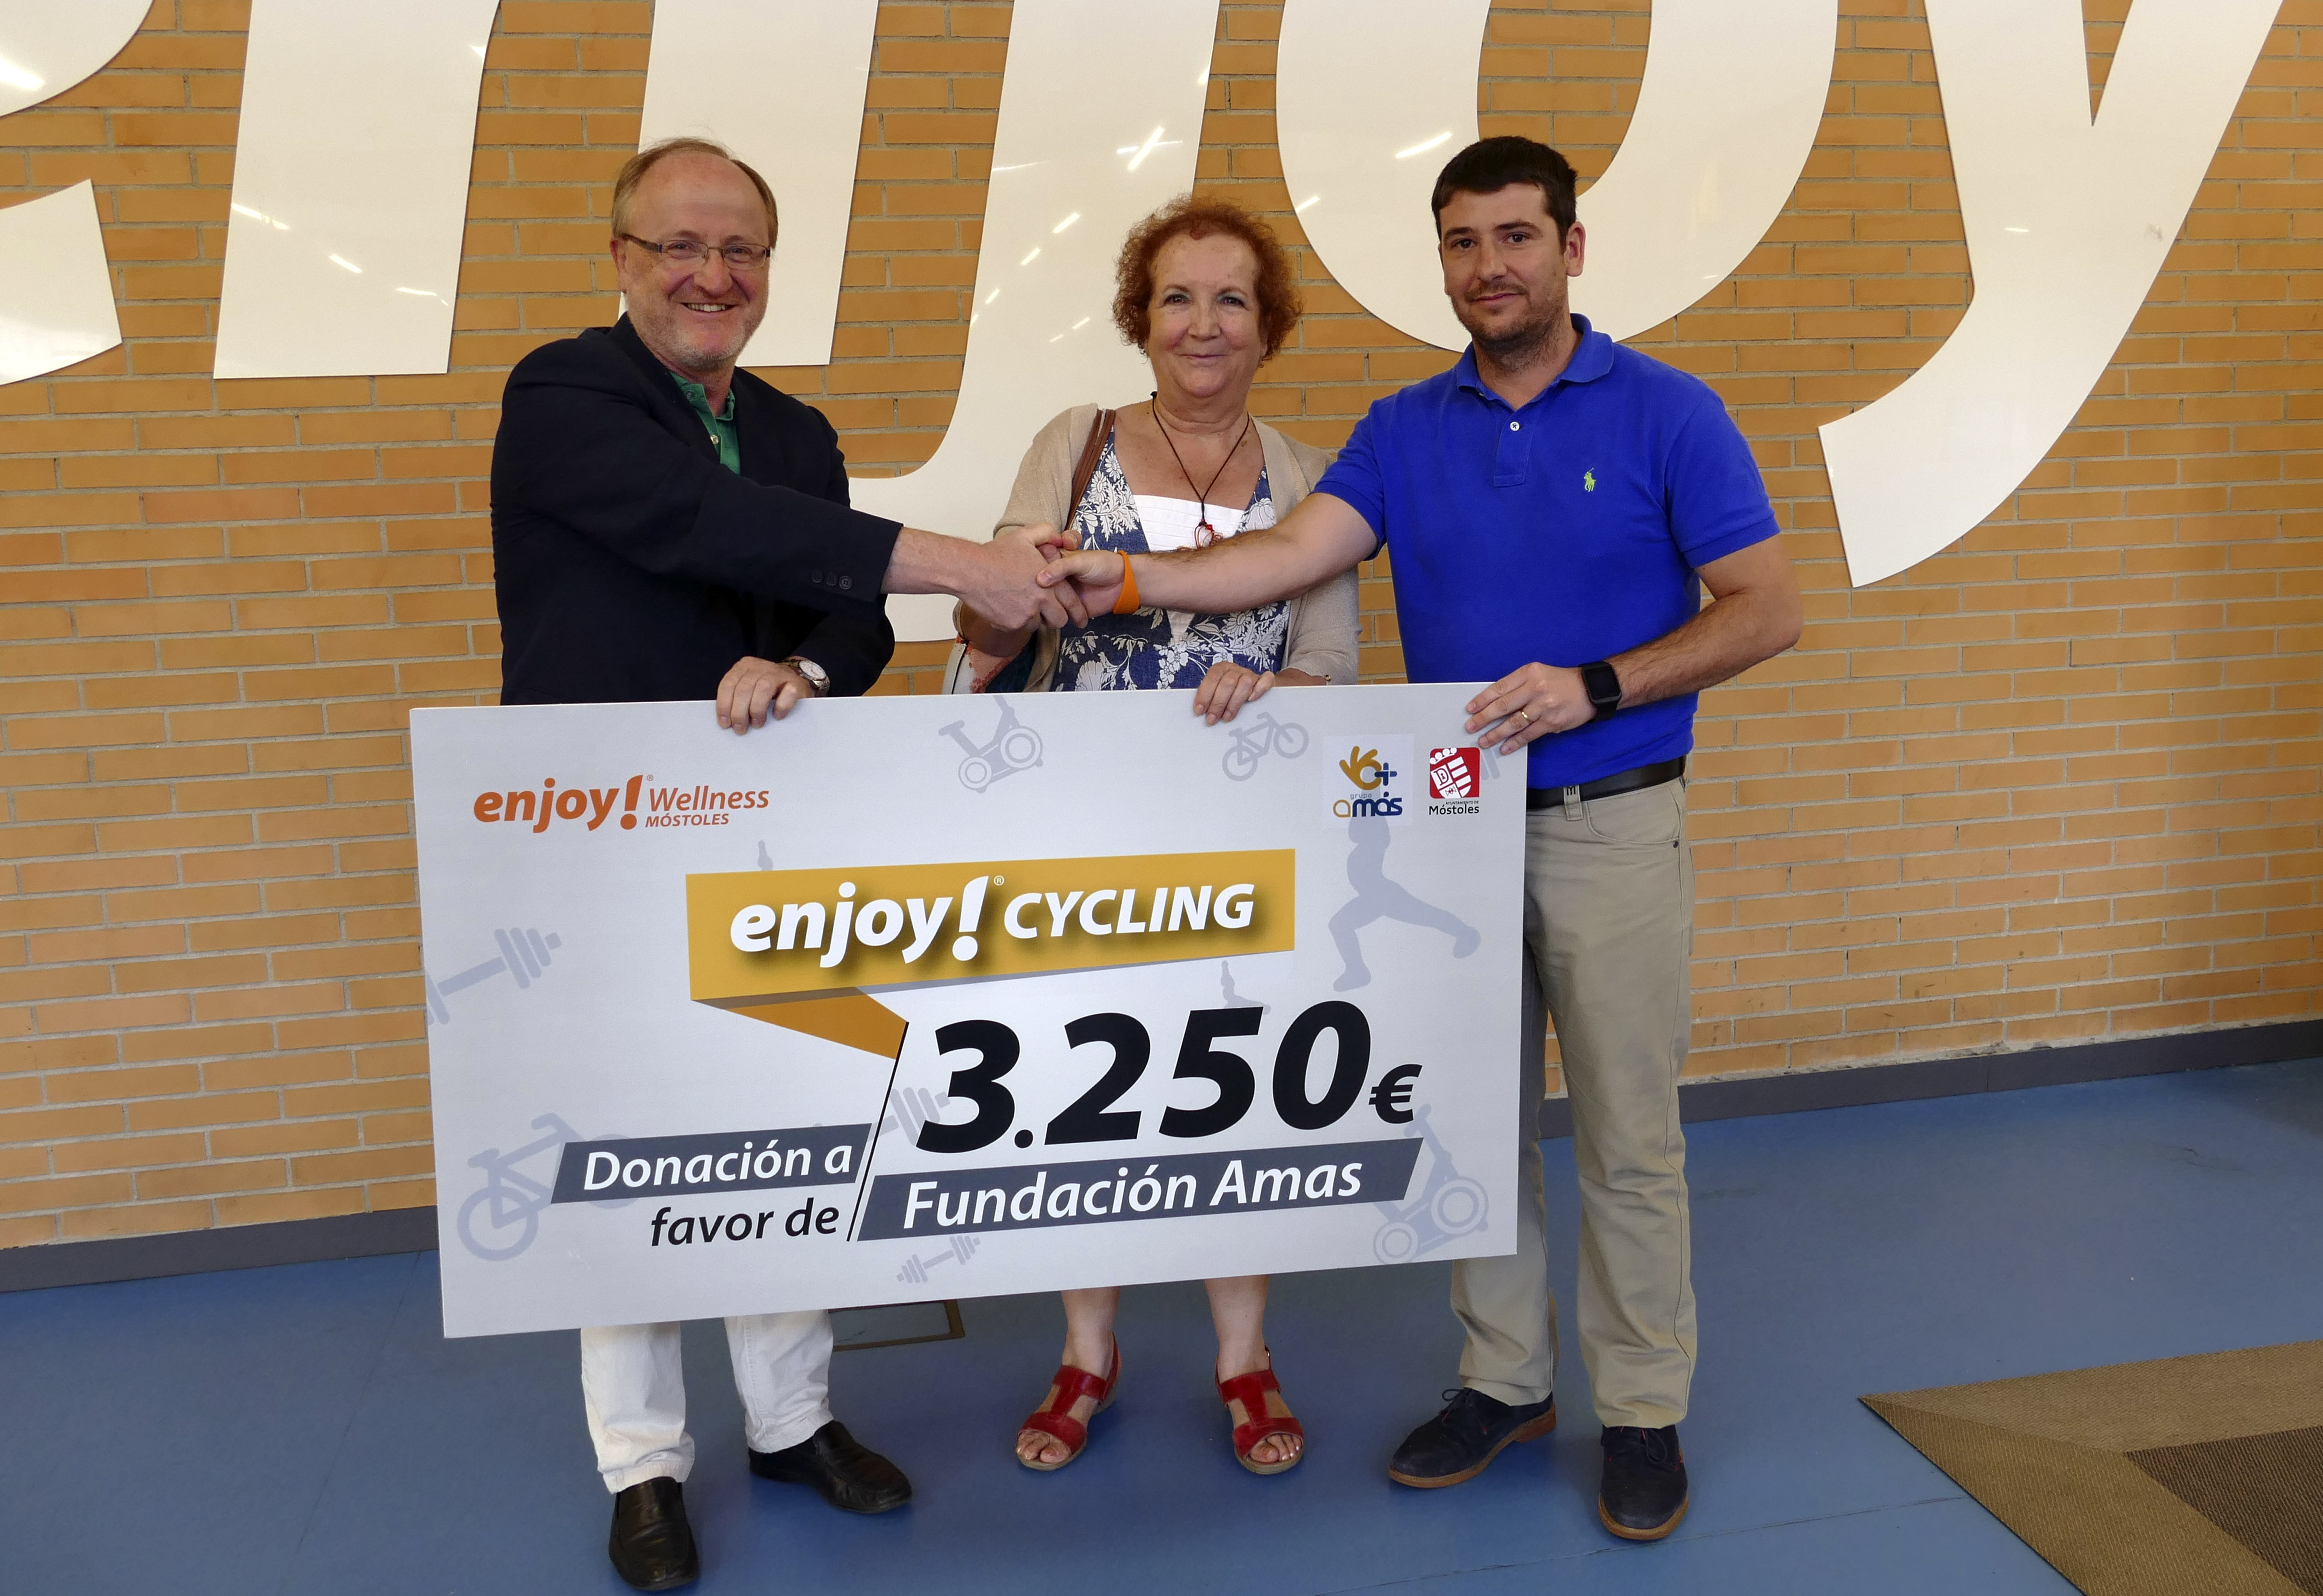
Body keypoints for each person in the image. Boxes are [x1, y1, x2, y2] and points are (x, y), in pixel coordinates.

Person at [1038, 136, 1803, 1541]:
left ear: (1571, 249)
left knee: (1629, 1141)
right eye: (1463, 242)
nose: (1488, 266)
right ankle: (1505, 1382)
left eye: (1516, 237)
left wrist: (1599, 686)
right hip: (1454, 829)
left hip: (1613, 822)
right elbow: (1285, 557)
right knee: (1472, 1130)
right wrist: (1129, 577)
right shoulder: (1403, 429)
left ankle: (1643, 1410)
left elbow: (1767, 606)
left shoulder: (1670, 413)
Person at [491, 136, 1090, 1592]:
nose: (713, 276)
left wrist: (810, 668)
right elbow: (708, 526)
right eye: (681, 247)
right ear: (621, 259)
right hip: (605, 842)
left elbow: (848, 607)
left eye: (741, 251)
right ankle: (644, 1466)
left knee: (788, 1128)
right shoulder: (563, 395)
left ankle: (791, 1421)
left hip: (770, 839)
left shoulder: (793, 426)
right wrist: (966, 562)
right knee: (627, 1155)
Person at [958, 196, 1360, 1477]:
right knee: (1084, 1091)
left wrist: (1277, 690)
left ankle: (1244, 1358)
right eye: (1178, 296)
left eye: (1231, 299)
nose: (1203, 323)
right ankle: (1089, 1353)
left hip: (1245, 845)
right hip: (1078, 838)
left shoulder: (1308, 478)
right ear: (1142, 317)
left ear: (1267, 325)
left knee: (1232, 1090)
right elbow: (986, 631)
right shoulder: (1074, 444)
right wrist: (1011, 590)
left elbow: (1333, 666)